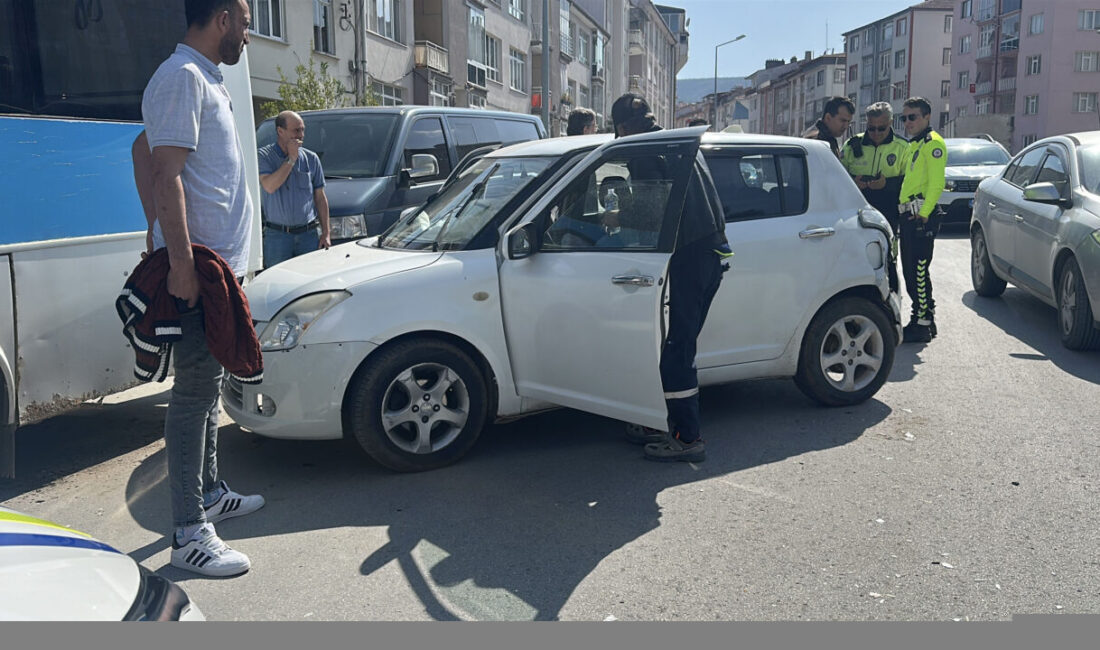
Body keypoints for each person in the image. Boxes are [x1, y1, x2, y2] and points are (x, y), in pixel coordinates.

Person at [136, 0, 264, 577]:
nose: (247, 33)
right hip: (200, 272)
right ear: (221, 20)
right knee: (192, 397)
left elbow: (144, 151)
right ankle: (189, 533)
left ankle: (209, 493)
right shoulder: (182, 76)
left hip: (219, 271)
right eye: (245, 21)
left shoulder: (205, 78)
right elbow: (162, 169)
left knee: (208, 389)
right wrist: (181, 264)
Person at [611, 93, 731, 463]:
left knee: (678, 348)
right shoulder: (678, 143)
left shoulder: (645, 150)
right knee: (674, 344)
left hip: (690, 256)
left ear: (622, 128)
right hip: (709, 252)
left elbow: (649, 212)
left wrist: (615, 219)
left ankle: (686, 438)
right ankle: (658, 421)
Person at [840, 101, 909, 293]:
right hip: (855, 214)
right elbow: (837, 176)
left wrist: (886, 184)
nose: (876, 133)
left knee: (887, 260)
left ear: (891, 123)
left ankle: (891, 297)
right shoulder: (852, 145)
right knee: (854, 259)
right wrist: (853, 182)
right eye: (871, 128)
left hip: (889, 214)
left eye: (881, 128)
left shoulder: (903, 147)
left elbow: (910, 182)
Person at [897, 97, 947, 343]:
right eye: (904, 118)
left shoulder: (932, 143)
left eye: (912, 117)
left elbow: (937, 183)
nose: (908, 122)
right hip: (909, 214)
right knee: (911, 271)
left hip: (920, 216)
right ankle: (926, 319)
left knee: (917, 272)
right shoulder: (915, 144)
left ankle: (922, 324)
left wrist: (924, 213)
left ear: (927, 116)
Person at [258, 110, 331, 266]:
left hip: (308, 235)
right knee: (277, 279)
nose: (301, 135)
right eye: (296, 130)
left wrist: (326, 232)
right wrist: (291, 159)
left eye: (303, 130)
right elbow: (269, 186)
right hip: (278, 237)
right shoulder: (264, 156)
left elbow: (320, 197)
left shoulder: (311, 158)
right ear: (280, 131)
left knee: (310, 278)